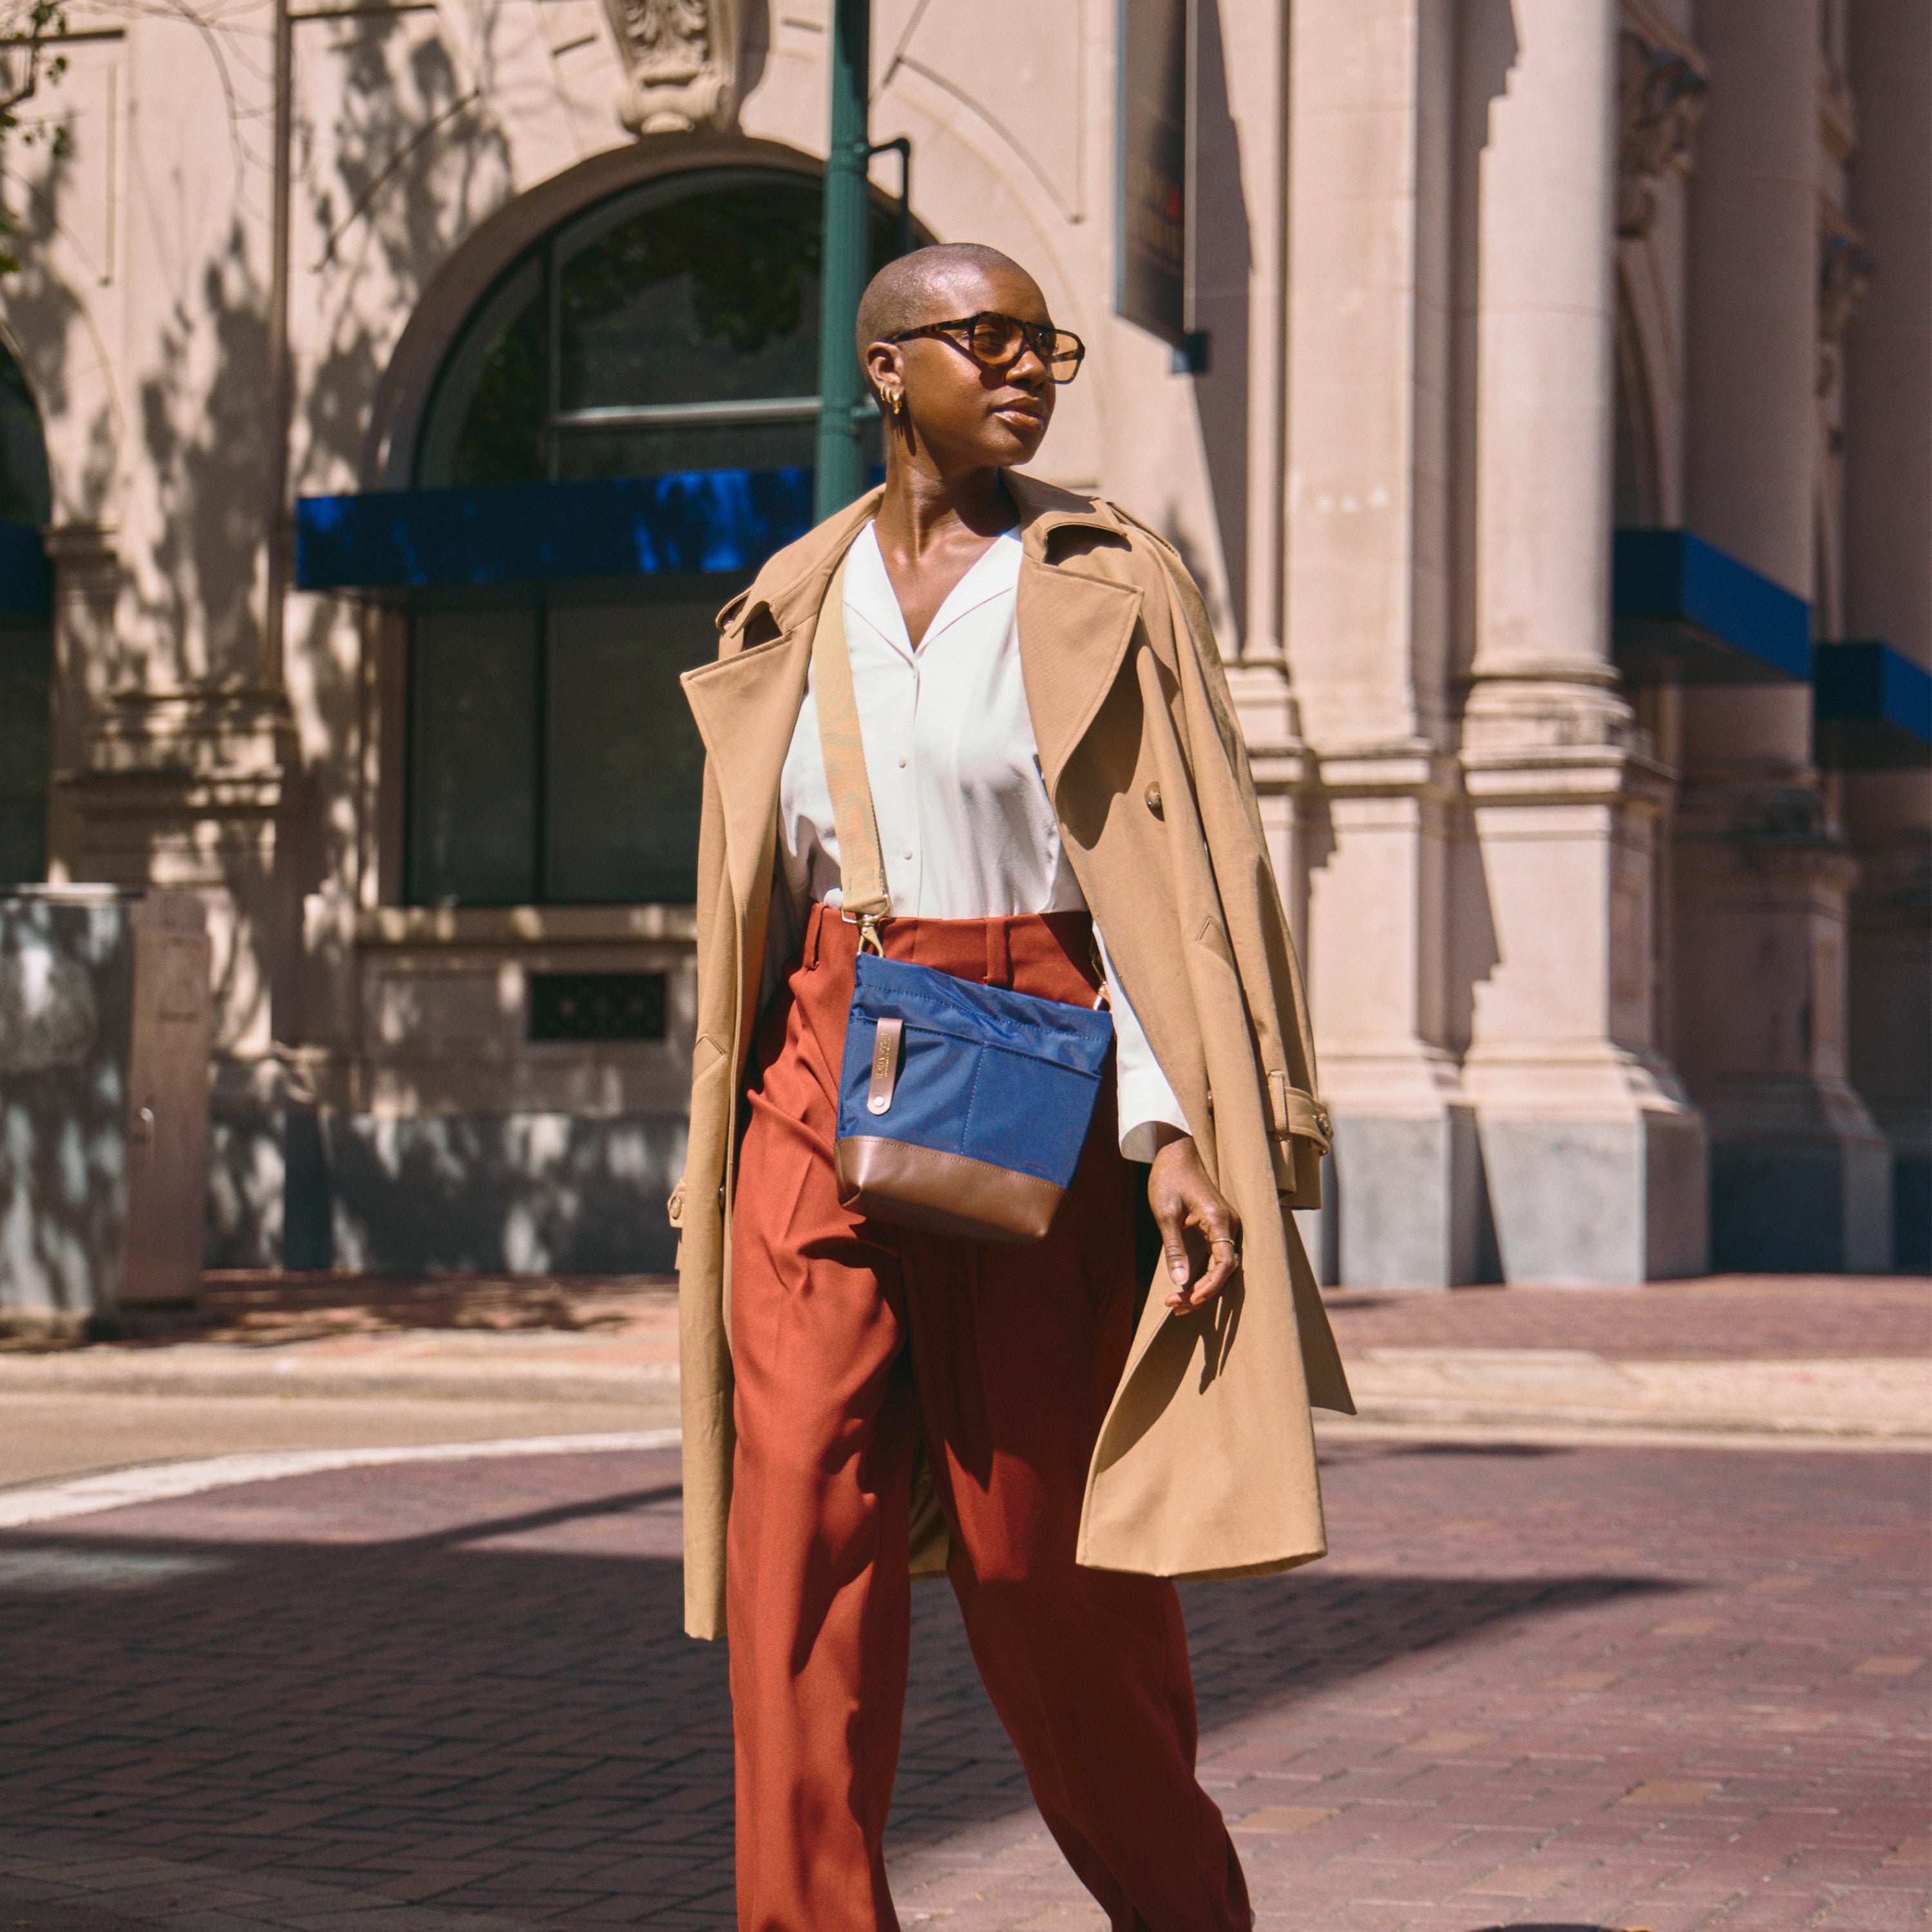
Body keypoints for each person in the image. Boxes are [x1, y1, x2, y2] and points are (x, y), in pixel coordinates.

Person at [670, 241, 1353, 1932]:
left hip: (1037, 1050)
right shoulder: (792, 595)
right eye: (990, 339)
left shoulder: (1102, 575)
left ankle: (1182, 1906)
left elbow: (1158, 873)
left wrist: (1175, 1123)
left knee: (1048, 1566)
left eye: (1046, 340)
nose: (1033, 365)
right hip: (820, 1060)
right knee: (792, 1559)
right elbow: (760, 889)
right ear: (888, 370)